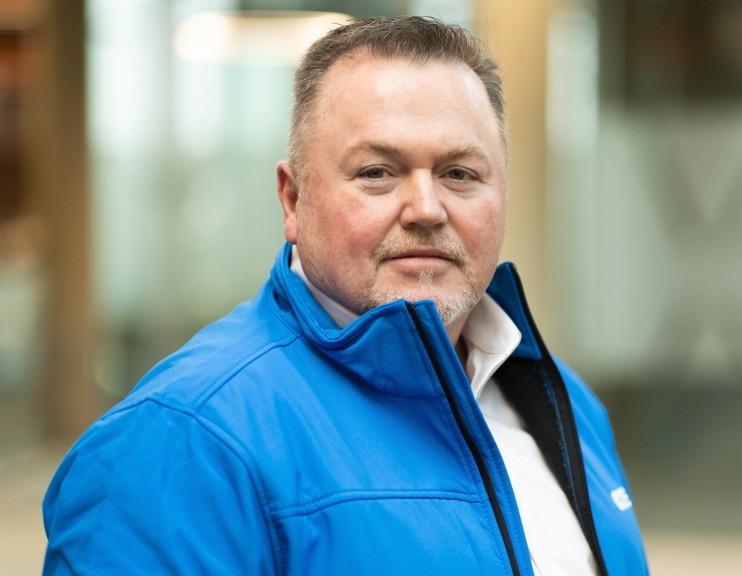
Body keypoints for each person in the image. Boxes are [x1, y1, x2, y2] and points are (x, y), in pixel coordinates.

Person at [42, 16, 648, 575]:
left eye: (460, 174)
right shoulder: (182, 443)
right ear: (292, 200)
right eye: (377, 172)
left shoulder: (565, 404)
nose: (427, 209)